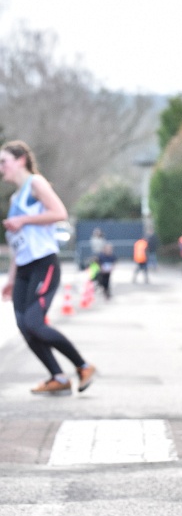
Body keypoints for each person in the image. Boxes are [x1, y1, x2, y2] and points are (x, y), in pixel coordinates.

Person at [0, 140, 96, 395]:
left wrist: (24, 219)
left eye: (4, 161)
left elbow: (60, 213)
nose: (1, 168)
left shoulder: (36, 184)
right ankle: (58, 377)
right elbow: (18, 245)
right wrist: (11, 278)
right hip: (23, 270)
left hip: (44, 265)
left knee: (34, 323)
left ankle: (83, 366)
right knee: (24, 326)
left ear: (20, 160)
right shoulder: (14, 198)